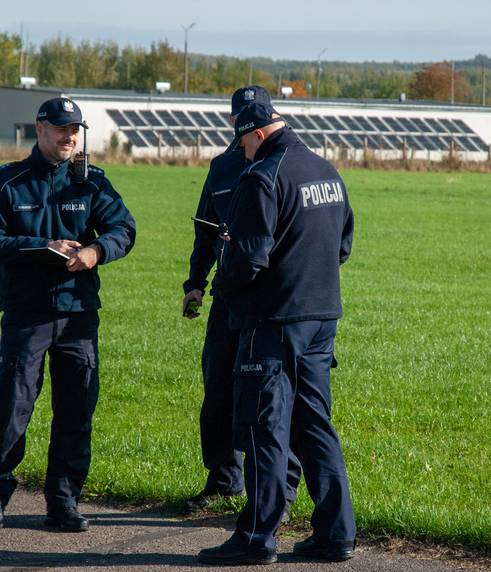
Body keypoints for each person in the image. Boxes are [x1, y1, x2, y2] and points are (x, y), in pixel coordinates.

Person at [198, 102, 356, 565]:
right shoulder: (326, 170)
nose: (241, 152)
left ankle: (255, 538)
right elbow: (342, 243)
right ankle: (336, 533)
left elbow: (248, 259)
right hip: (322, 317)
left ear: (259, 135)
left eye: (244, 142)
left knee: (265, 427)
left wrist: (220, 284)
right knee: (314, 425)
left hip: (272, 323)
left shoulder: (263, 176)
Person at [0, 97, 136, 533]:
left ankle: (63, 502)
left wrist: (96, 251)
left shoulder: (93, 183)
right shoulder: (8, 183)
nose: (70, 137)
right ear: (40, 128)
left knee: (75, 409)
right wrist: (42, 248)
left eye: (76, 130)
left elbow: (125, 229)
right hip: (27, 314)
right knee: (11, 407)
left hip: (78, 315)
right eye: (62, 128)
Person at [182, 86, 300, 518]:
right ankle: (223, 478)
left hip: (269, 302)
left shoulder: (280, 164)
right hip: (227, 296)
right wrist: (195, 282)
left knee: (270, 396)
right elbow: (205, 230)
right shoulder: (223, 167)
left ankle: (274, 493)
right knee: (218, 388)